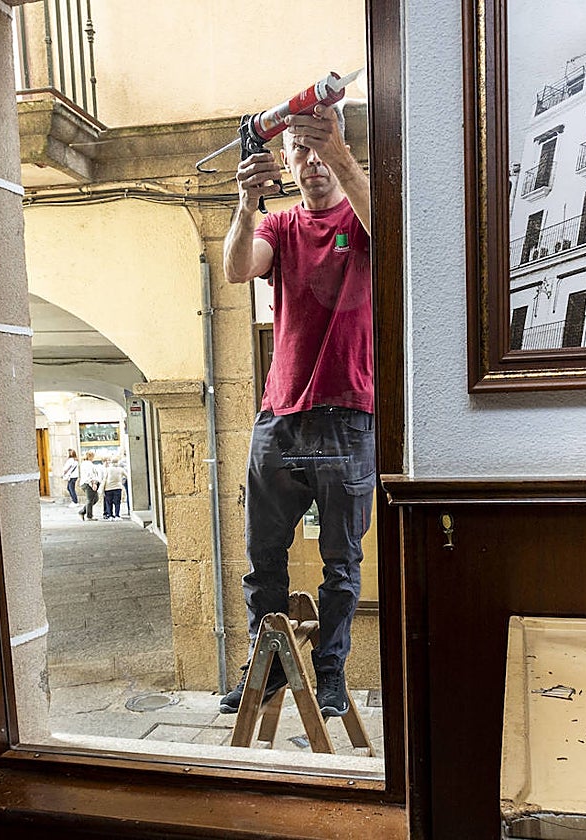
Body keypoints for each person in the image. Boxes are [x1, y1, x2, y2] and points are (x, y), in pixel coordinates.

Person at [218, 103, 373, 719]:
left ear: (338, 147)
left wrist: (337, 150)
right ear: (285, 162)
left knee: (341, 562)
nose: (311, 162)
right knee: (263, 559)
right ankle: (269, 669)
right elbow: (236, 268)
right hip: (279, 417)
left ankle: (331, 674)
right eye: (299, 151)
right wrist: (245, 204)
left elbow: (396, 238)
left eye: (319, 148)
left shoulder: (361, 213)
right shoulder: (279, 226)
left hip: (346, 416)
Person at [77, 452, 100, 521]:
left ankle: (83, 511)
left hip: (85, 483)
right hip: (88, 483)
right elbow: (90, 474)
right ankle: (89, 516)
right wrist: (93, 483)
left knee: (95, 498)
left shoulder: (84, 463)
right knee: (90, 500)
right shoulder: (88, 464)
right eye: (93, 456)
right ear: (90, 457)